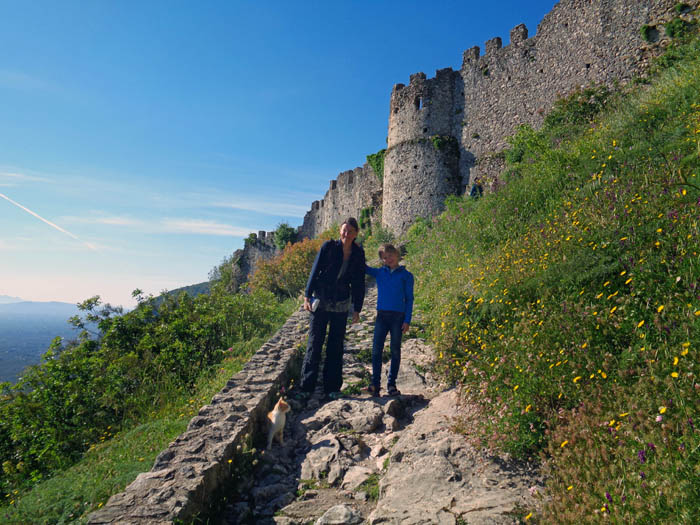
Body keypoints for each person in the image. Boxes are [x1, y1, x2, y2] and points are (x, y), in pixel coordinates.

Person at [298, 218, 366, 402]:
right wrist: (307, 295)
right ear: (340, 230)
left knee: (336, 346)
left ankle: (332, 388)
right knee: (314, 343)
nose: (347, 234)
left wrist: (357, 308)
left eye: (351, 231)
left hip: (341, 303)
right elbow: (315, 270)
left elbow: (359, 281)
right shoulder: (329, 246)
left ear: (356, 234)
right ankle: (306, 387)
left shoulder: (358, 253)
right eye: (345, 230)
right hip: (322, 299)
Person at [364, 243, 414, 397]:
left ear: (396, 254)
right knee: (376, 350)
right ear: (382, 260)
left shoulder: (406, 276)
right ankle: (375, 384)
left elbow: (409, 299)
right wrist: (356, 250)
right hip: (382, 316)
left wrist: (407, 320)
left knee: (395, 350)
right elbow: (363, 267)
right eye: (385, 257)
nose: (388, 259)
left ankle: (391, 384)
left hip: (398, 317)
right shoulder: (380, 273)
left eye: (390, 255)